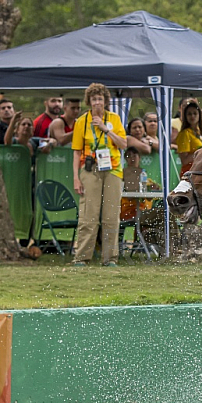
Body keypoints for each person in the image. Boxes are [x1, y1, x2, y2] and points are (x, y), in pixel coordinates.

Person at [71, 83, 127, 266]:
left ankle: (110, 258)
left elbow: (123, 144)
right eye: (94, 99)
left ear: (105, 102)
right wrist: (76, 178)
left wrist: (105, 129)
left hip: (113, 169)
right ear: (89, 102)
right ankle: (82, 257)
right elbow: (77, 152)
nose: (97, 103)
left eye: (100, 99)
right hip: (90, 170)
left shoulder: (114, 119)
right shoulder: (81, 121)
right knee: (89, 215)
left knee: (111, 216)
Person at [176, 99, 202, 175]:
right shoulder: (184, 133)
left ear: (199, 115)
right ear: (185, 116)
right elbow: (184, 160)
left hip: (200, 170)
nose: (192, 116)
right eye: (189, 114)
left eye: (195, 113)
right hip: (189, 172)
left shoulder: (200, 131)